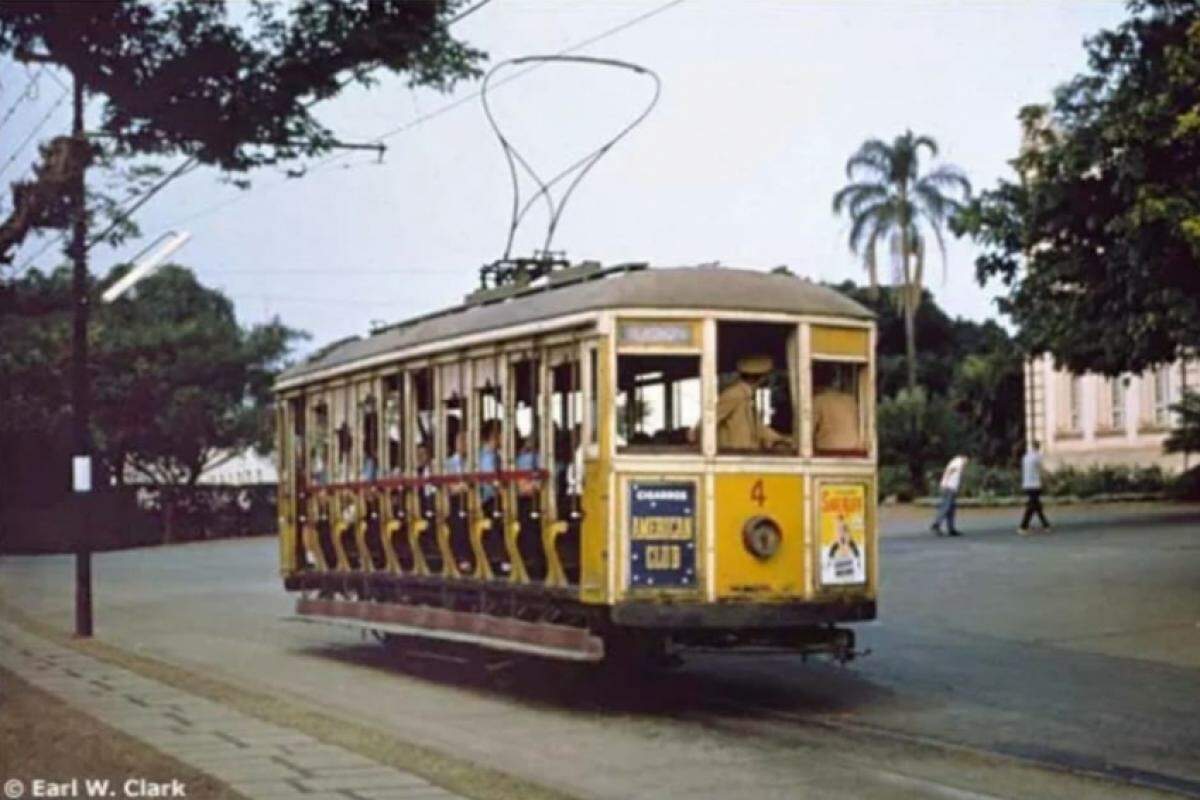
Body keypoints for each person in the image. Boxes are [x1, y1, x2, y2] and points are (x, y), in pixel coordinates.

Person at [715, 355, 793, 451]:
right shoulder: (734, 394)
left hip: (747, 453)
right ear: (761, 378)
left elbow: (759, 428)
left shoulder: (747, 395)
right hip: (735, 454)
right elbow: (710, 421)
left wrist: (782, 439)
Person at [812, 363, 862, 453]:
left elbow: (806, 432)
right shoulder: (851, 400)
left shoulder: (818, 401)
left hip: (828, 453)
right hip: (855, 451)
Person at [1018, 441, 1052, 534]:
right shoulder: (1037, 456)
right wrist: (1049, 478)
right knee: (1032, 506)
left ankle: (1046, 525)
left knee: (1036, 506)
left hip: (1027, 484)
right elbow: (1041, 469)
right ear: (1038, 447)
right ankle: (1023, 526)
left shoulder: (1026, 457)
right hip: (1035, 484)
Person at [930, 454, 969, 536]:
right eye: (967, 460)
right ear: (964, 457)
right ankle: (936, 524)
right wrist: (945, 483)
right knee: (946, 506)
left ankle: (951, 528)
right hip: (949, 487)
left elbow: (957, 476)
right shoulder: (958, 461)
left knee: (951, 509)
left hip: (952, 488)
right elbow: (949, 471)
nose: (967, 463)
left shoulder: (958, 462)